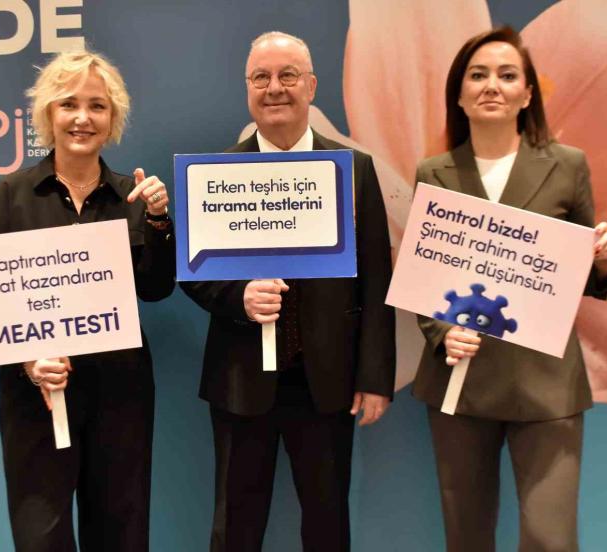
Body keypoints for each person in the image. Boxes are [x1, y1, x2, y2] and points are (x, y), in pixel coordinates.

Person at [181, 31, 396, 552]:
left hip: (326, 383)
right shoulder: (216, 174)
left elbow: (376, 279)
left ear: (312, 87)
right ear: (247, 89)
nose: (274, 88)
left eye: (288, 75)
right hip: (240, 380)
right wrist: (238, 298)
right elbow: (195, 274)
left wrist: (375, 378)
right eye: (261, 77)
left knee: (327, 526)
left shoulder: (355, 170)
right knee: (235, 527)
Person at [414, 27, 607, 552]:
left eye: (508, 76)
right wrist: (441, 332)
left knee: (551, 540)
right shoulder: (433, 173)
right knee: (466, 539)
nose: (492, 86)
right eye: (478, 75)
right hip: (461, 382)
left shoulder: (568, 165)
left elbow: (579, 272)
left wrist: (604, 260)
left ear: (527, 95)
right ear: (459, 94)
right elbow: (424, 278)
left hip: (546, 386)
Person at [0, 50, 174, 551]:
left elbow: (156, 288)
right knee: (41, 537)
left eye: (97, 106)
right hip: (37, 399)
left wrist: (158, 221)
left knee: (121, 532)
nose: (82, 117)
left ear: (112, 118)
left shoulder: (133, 197)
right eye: (69, 104)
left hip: (121, 393)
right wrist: (29, 361)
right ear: (48, 114)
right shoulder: (10, 198)